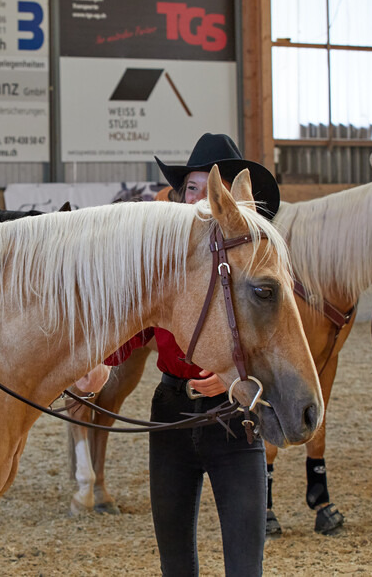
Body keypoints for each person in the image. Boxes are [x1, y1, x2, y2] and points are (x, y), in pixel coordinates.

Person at [148, 133, 281, 577]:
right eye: (192, 189)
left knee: (246, 566)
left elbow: (276, 340)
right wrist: (95, 365)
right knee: (175, 566)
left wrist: (232, 376)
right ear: (180, 196)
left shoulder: (254, 266)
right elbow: (124, 335)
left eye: (213, 191)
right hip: (171, 414)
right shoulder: (158, 267)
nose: (201, 200)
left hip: (235, 416)